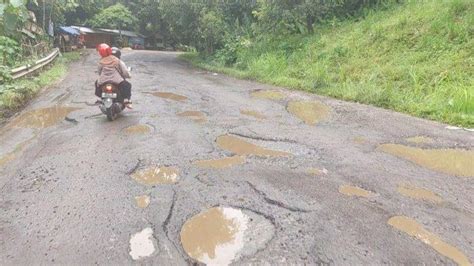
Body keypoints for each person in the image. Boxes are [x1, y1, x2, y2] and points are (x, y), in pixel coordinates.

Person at [95, 43, 132, 108]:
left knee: (97, 83)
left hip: (103, 81)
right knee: (127, 85)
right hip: (116, 81)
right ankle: (126, 100)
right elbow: (125, 72)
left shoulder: (101, 61)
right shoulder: (117, 60)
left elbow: (99, 72)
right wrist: (129, 76)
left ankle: (101, 98)